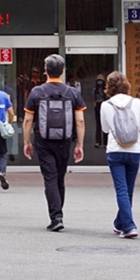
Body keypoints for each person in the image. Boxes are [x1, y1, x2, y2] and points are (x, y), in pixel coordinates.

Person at [22, 54, 85, 232]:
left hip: (43, 140)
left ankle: (56, 216)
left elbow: (28, 120)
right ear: (63, 71)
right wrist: (79, 144)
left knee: (50, 178)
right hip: (64, 141)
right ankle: (58, 213)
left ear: (45, 71)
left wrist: (27, 142)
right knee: (59, 178)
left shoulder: (37, 92)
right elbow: (80, 121)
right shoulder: (72, 93)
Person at [100, 71, 140, 238]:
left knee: (121, 190)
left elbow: (104, 129)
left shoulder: (106, 105)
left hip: (115, 150)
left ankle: (129, 226)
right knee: (128, 189)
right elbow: (138, 125)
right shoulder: (137, 103)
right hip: (134, 149)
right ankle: (120, 223)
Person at [93, 73, 108, 148]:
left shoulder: (106, 90)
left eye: (101, 81)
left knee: (105, 123)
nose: (99, 82)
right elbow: (94, 99)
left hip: (104, 105)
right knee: (98, 124)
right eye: (98, 81)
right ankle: (98, 142)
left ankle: (105, 142)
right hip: (98, 106)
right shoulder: (95, 90)